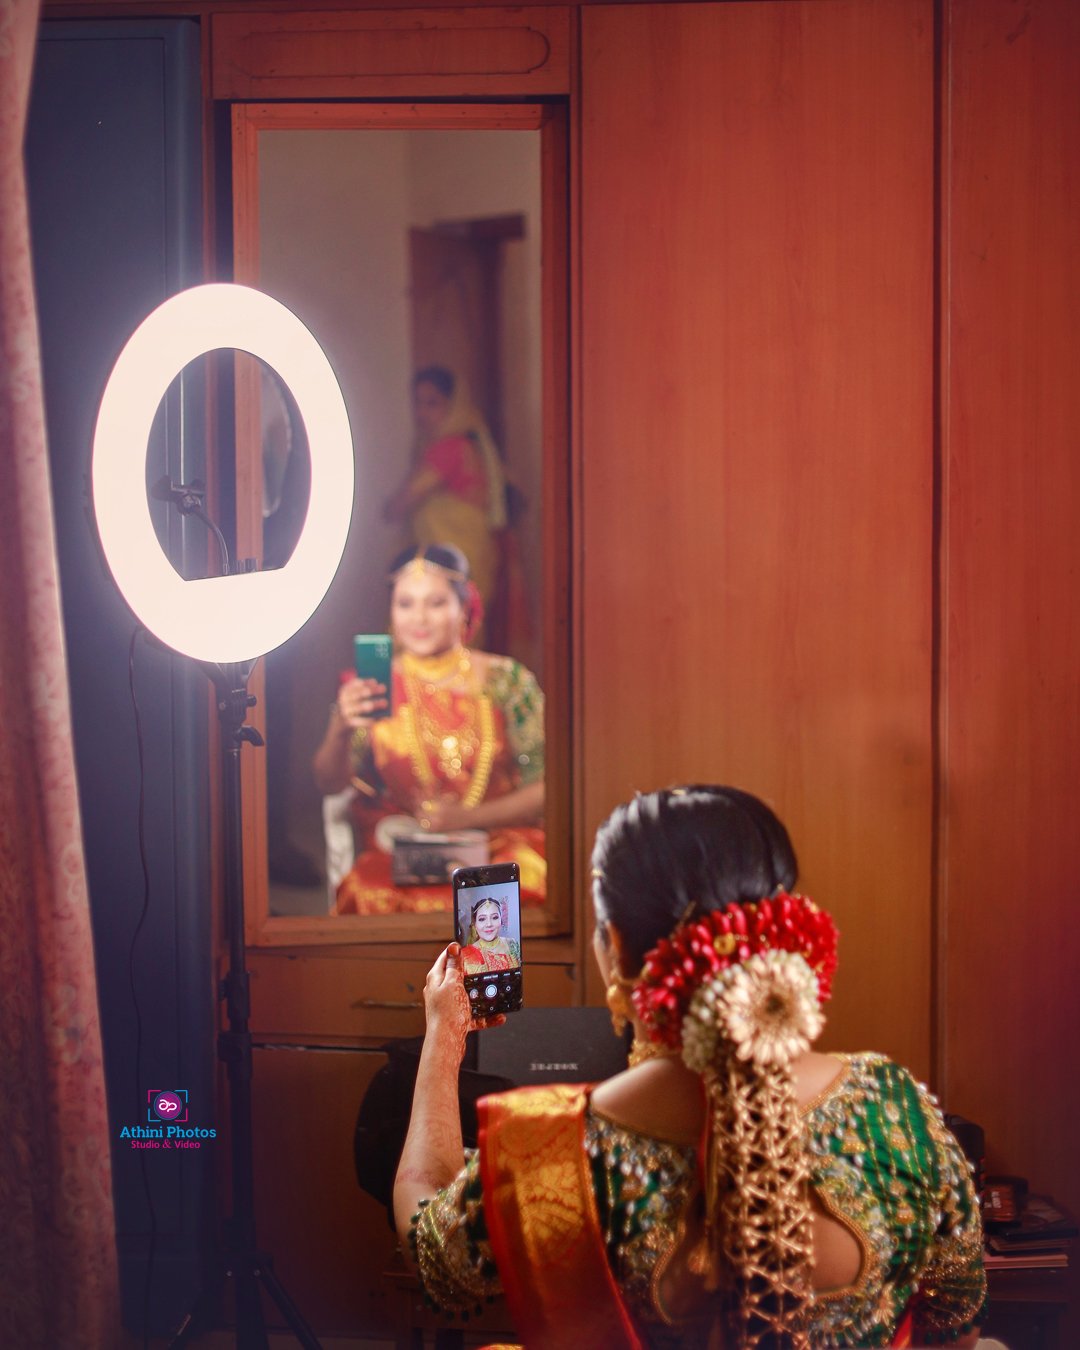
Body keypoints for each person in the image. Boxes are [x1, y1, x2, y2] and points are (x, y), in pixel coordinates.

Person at [393, 786, 987, 1348]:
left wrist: (446, 1035)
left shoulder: (551, 1151)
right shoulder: (893, 1105)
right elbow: (955, 1324)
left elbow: (433, 1254)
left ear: (617, 948)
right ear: (783, 930)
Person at [312, 544, 545, 916]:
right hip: (405, 850)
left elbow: (546, 787)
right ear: (391, 612)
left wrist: (466, 820)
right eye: (406, 604)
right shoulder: (374, 685)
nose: (419, 618)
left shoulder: (506, 680)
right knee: (365, 892)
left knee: (527, 881)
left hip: (497, 843)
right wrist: (340, 728)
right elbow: (330, 784)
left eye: (435, 603)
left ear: (464, 607)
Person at [384, 366, 508, 612]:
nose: (421, 413)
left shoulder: (449, 448)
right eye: (417, 403)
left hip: (454, 565)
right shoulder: (463, 444)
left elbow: (400, 505)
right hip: (467, 560)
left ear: (453, 405)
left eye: (433, 403)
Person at [460, 897, 520, 974]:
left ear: (501, 920)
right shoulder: (465, 955)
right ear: (475, 924)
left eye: (494, 917)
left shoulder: (512, 944)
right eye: (482, 919)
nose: (489, 924)